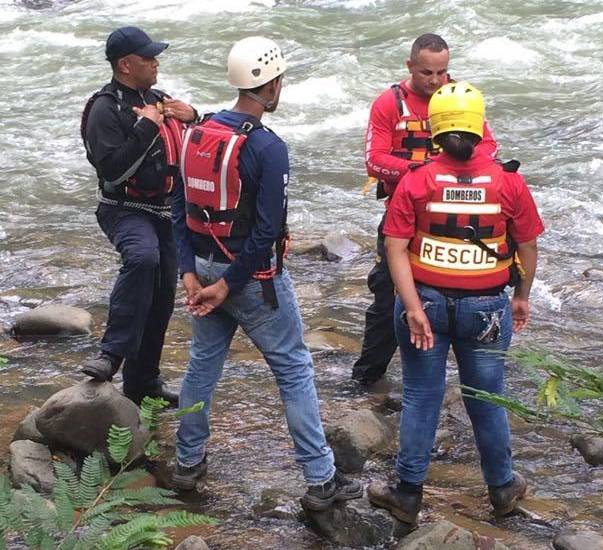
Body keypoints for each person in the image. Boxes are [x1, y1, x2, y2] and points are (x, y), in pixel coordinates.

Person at [169, 36, 362, 511]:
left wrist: (190, 275)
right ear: (272, 85)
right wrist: (226, 286)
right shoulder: (267, 147)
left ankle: (187, 464)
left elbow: (178, 208)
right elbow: (266, 231)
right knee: (294, 370)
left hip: (205, 269)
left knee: (202, 364)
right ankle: (321, 479)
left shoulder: (197, 131)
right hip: (251, 280)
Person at [367, 82, 543, 525]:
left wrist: (410, 307)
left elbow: (395, 247)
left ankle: (407, 495)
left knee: (421, 395)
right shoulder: (508, 182)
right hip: (485, 308)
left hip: (423, 301)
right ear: (480, 128)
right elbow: (526, 246)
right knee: (486, 396)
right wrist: (521, 297)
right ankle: (502, 488)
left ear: (433, 131)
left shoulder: (415, 180)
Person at [353, 33, 499, 387]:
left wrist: (443, 175)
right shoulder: (390, 104)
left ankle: (463, 377)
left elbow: (489, 148)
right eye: (426, 74)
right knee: (389, 295)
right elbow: (375, 161)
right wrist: (423, 174)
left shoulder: (460, 99)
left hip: (451, 213)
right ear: (410, 67)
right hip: (402, 212)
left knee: (465, 294)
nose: (435, 82)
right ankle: (367, 378)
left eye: (441, 73)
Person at [80, 26, 199, 406]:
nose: (156, 62)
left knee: (163, 291)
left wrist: (195, 116)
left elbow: (203, 144)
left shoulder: (160, 98)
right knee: (142, 257)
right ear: (126, 65)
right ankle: (111, 354)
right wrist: (148, 125)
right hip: (123, 209)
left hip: (166, 211)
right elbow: (113, 170)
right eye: (148, 58)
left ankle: (143, 381)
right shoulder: (104, 109)